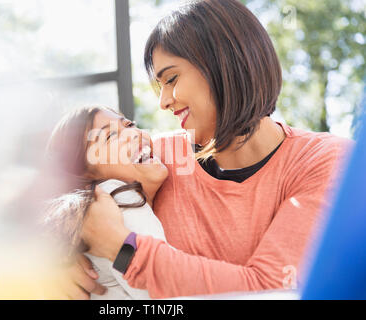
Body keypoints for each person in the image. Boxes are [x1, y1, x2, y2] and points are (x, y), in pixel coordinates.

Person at [74, 0, 354, 299]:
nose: (163, 101)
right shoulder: (159, 157)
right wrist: (59, 258)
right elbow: (66, 177)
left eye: (171, 79)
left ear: (224, 64)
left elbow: (271, 290)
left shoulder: (326, 161)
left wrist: (122, 249)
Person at [41, 105, 171, 299]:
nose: (133, 134)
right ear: (85, 175)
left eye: (128, 124)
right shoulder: (115, 201)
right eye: (110, 137)